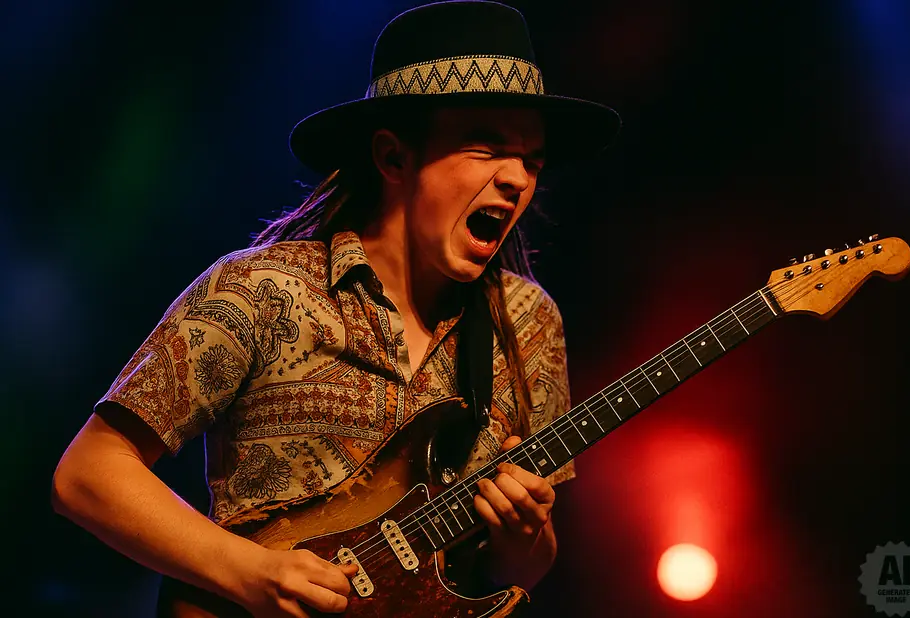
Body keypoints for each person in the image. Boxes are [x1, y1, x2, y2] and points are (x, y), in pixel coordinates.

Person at [51, 1, 620, 616]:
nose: (517, 179)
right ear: (393, 157)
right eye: (486, 148)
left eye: (531, 161)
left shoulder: (529, 322)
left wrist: (524, 534)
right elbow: (87, 473)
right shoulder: (264, 291)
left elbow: (523, 570)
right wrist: (251, 572)